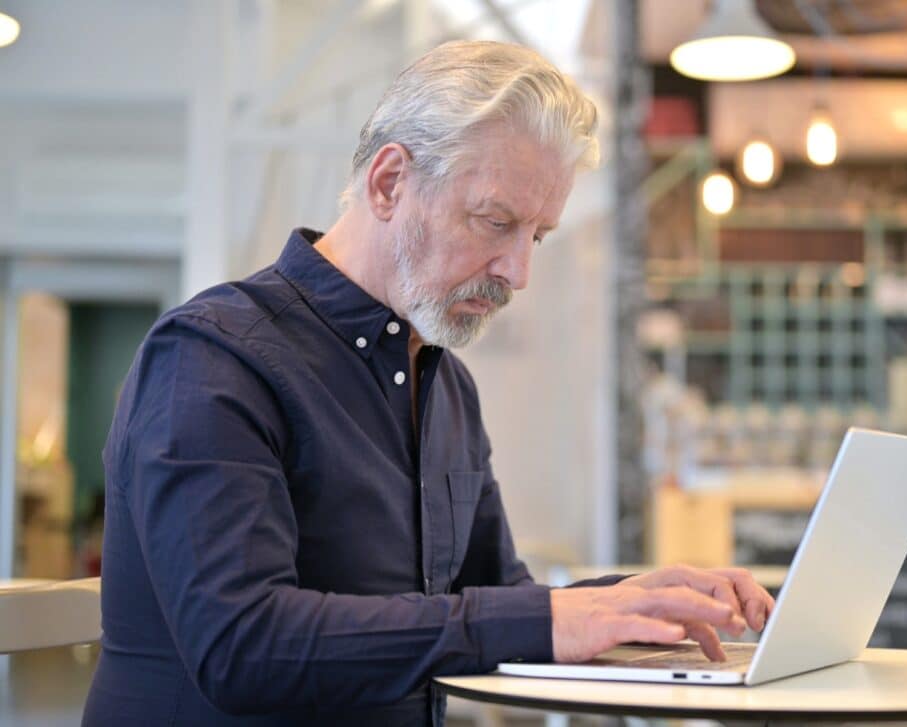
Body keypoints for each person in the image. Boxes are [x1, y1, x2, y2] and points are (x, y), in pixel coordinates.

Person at [82, 40, 773, 727]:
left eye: (538, 235)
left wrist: (637, 603)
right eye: (496, 222)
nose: (517, 271)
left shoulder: (446, 386)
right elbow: (243, 646)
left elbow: (493, 600)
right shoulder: (211, 358)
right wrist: (550, 615)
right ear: (389, 183)